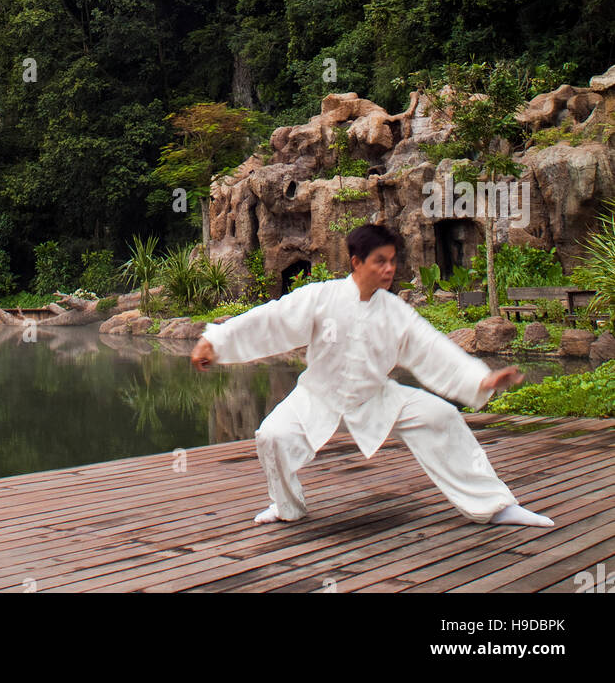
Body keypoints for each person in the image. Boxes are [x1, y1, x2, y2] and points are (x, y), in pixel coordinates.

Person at [190, 224, 554, 529]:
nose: (388, 269)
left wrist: (480, 380)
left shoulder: (396, 313)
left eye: (393, 261)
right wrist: (215, 341)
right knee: (272, 435)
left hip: (376, 398)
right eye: (380, 261)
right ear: (356, 262)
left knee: (441, 415)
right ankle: (287, 507)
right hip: (318, 395)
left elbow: (433, 349)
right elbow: (271, 320)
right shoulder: (321, 297)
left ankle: (496, 506)